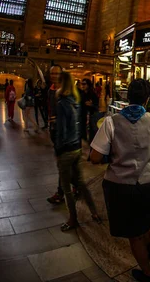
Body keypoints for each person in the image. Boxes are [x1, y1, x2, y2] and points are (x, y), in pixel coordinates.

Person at [90, 79, 150, 282]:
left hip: (120, 187)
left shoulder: (111, 122)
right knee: (143, 227)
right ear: (148, 98)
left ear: (126, 96)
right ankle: (147, 252)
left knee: (134, 235)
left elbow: (95, 157)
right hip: (148, 185)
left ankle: (147, 274)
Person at [54, 71, 101, 231]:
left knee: (66, 187)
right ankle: (94, 212)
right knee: (80, 183)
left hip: (66, 149)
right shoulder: (77, 100)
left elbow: (61, 130)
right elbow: (79, 125)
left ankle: (73, 219)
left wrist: (57, 150)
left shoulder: (62, 103)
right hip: (77, 147)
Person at [46, 65, 77, 205]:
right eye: (52, 73)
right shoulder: (51, 91)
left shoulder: (67, 92)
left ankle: (61, 193)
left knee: (63, 164)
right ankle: (75, 185)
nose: (54, 76)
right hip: (55, 131)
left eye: (57, 73)